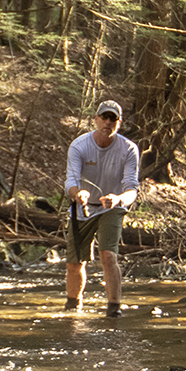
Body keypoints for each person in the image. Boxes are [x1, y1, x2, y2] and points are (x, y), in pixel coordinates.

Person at [64, 100, 139, 316]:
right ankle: (72, 308)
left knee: (108, 256)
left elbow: (132, 189)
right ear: (95, 119)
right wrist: (78, 193)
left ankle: (113, 309)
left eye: (112, 119)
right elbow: (70, 181)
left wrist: (118, 199)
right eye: (104, 118)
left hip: (112, 207)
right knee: (74, 263)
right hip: (82, 207)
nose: (107, 122)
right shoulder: (79, 145)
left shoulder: (129, 149)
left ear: (119, 123)